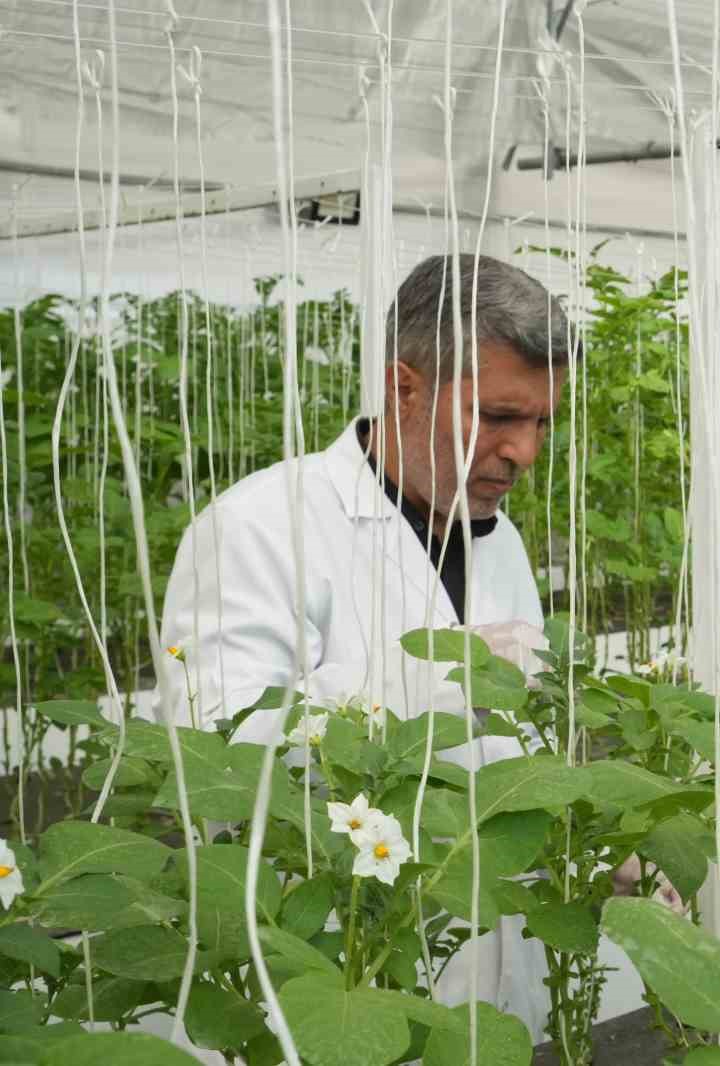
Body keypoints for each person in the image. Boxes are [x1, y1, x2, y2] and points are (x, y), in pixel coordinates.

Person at [157, 252, 574, 1037]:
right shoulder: (260, 529)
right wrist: (440, 680)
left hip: (473, 958)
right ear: (402, 388)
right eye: (499, 417)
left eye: (543, 421)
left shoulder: (498, 539)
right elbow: (217, 760)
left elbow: (505, 752)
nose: (526, 453)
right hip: (326, 964)